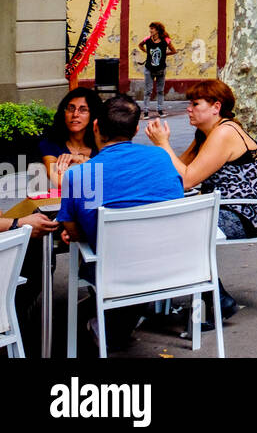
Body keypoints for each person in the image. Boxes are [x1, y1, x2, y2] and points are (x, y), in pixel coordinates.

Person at [144, 79, 257, 325]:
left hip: (248, 212)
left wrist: (163, 144)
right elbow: (179, 169)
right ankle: (216, 299)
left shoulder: (224, 133)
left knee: (180, 230)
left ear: (216, 107)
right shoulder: (205, 134)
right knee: (171, 224)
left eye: (195, 104)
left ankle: (217, 299)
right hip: (225, 206)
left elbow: (185, 180)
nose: (188, 109)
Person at [58, 94, 184, 350]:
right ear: (136, 129)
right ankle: (113, 323)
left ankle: (106, 325)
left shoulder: (78, 175)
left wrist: (80, 227)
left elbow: (74, 232)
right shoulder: (163, 158)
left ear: (95, 126)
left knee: (92, 251)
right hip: (169, 265)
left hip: (113, 270)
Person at [40, 88, 102, 191]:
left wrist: (80, 159)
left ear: (93, 114)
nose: (75, 115)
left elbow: (113, 174)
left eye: (83, 110)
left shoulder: (101, 145)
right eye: (71, 108)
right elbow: (59, 181)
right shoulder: (51, 144)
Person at [137, 22, 177, 117]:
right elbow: (140, 45)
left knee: (160, 91)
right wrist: (147, 52)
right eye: (150, 28)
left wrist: (163, 54)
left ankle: (160, 110)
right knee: (148, 91)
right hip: (149, 69)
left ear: (157, 30)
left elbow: (174, 51)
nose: (150, 31)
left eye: (152, 29)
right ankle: (146, 112)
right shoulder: (147, 39)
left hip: (161, 70)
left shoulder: (166, 40)